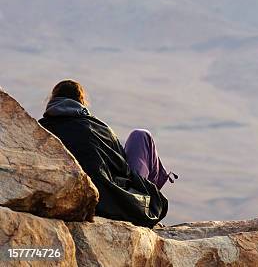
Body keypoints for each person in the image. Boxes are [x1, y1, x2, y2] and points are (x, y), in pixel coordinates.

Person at [39, 79, 171, 227]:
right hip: (109, 201)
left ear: (52, 100)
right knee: (141, 136)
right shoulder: (98, 128)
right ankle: (146, 197)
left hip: (62, 195)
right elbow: (123, 169)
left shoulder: (40, 130)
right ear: (81, 101)